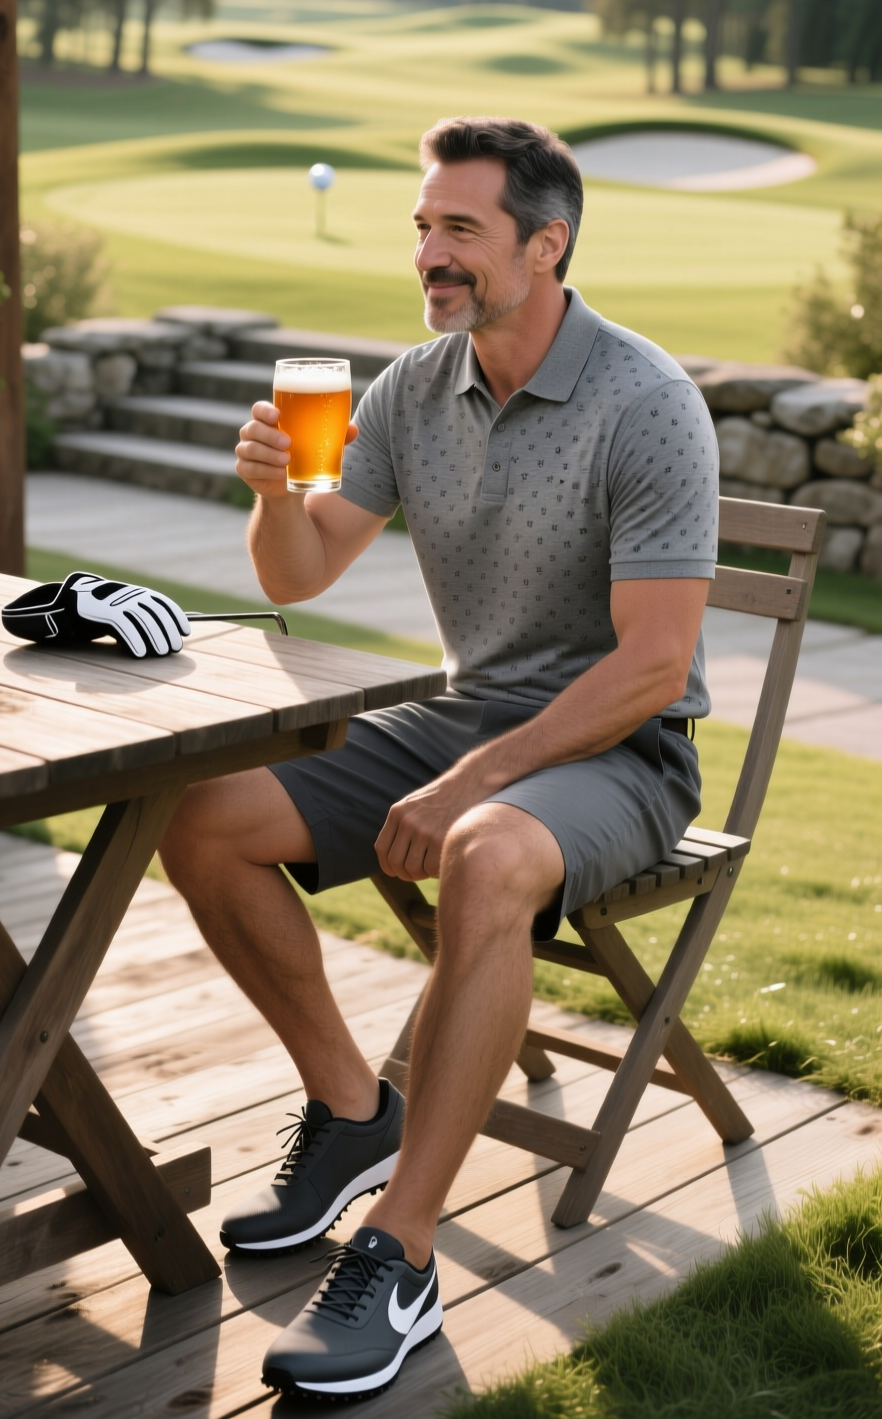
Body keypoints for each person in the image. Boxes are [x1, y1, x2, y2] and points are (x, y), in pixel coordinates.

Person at [159, 116, 718, 1400]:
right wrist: (267, 493)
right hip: (470, 721)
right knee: (200, 814)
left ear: (545, 241)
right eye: (422, 226)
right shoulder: (414, 387)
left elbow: (648, 665)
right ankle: (357, 1108)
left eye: (458, 228)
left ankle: (399, 1253)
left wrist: (473, 780)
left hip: (623, 751)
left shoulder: (647, 402)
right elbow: (301, 569)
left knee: (485, 847)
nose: (430, 253)